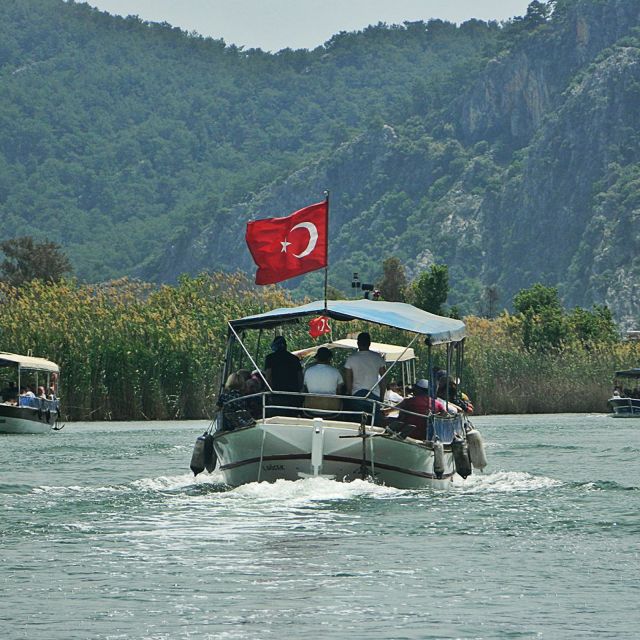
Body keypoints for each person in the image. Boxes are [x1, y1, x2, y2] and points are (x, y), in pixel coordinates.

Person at [344, 332, 387, 424]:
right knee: (374, 424)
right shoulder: (378, 357)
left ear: (358, 343)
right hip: (374, 394)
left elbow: (348, 379)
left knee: (358, 423)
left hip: (357, 394)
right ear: (370, 343)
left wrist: (349, 393)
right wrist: (382, 396)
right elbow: (383, 379)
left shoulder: (351, 358)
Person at [264, 335, 303, 416]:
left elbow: (268, 377)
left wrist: (269, 392)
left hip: (276, 394)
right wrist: (299, 392)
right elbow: (300, 377)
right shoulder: (294, 359)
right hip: (292, 395)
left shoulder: (270, 358)